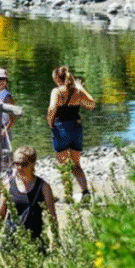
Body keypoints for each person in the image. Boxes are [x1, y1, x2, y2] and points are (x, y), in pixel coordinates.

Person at [46, 66, 97, 202]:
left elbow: (52, 108)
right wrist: (81, 88)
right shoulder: (78, 92)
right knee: (76, 164)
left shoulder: (56, 91)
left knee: (64, 166)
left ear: (57, 78)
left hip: (61, 128)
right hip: (76, 128)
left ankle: (68, 195)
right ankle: (85, 192)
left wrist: (50, 123)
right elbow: (91, 105)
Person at [0, 146, 58, 253]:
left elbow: (52, 217)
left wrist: (56, 240)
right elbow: (0, 215)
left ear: (33, 164)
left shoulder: (43, 187)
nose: (19, 167)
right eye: (16, 164)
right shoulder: (8, 185)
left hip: (35, 241)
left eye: (23, 164)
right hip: (11, 240)